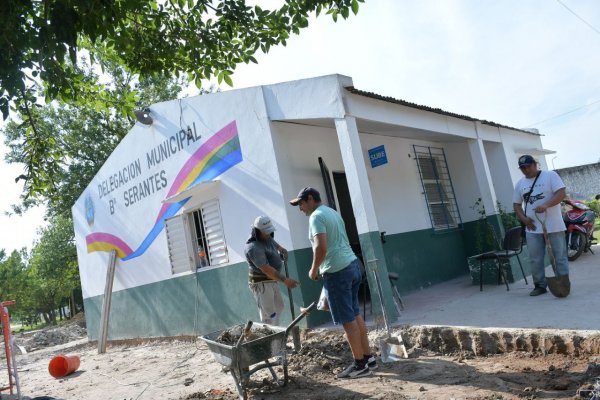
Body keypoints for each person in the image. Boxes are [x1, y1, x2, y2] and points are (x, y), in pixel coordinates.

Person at [290, 187, 374, 379]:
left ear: (310, 199)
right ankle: (368, 358)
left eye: (301, 203)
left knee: (347, 320)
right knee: (354, 313)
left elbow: (321, 246)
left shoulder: (316, 217)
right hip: (353, 266)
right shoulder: (331, 212)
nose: (300, 208)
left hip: (338, 272)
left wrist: (313, 269)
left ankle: (360, 365)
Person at [513, 155, 569, 296]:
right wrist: (524, 220)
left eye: (528, 166)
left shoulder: (550, 176)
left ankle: (563, 282)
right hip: (532, 228)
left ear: (535, 164)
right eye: (522, 168)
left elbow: (561, 193)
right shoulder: (520, 184)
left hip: (554, 225)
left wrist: (546, 205)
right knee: (535, 258)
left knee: (559, 256)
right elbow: (516, 205)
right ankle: (539, 285)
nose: (525, 170)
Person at [245, 216, 298, 326]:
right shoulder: (253, 247)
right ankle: (270, 338)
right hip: (261, 283)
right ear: (257, 231)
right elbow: (266, 269)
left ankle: (276, 334)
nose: (268, 235)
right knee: (269, 314)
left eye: (270, 232)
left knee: (279, 307)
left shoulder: (266, 237)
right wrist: (285, 280)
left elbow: (274, 243)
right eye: (266, 232)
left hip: (271, 281)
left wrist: (282, 250)